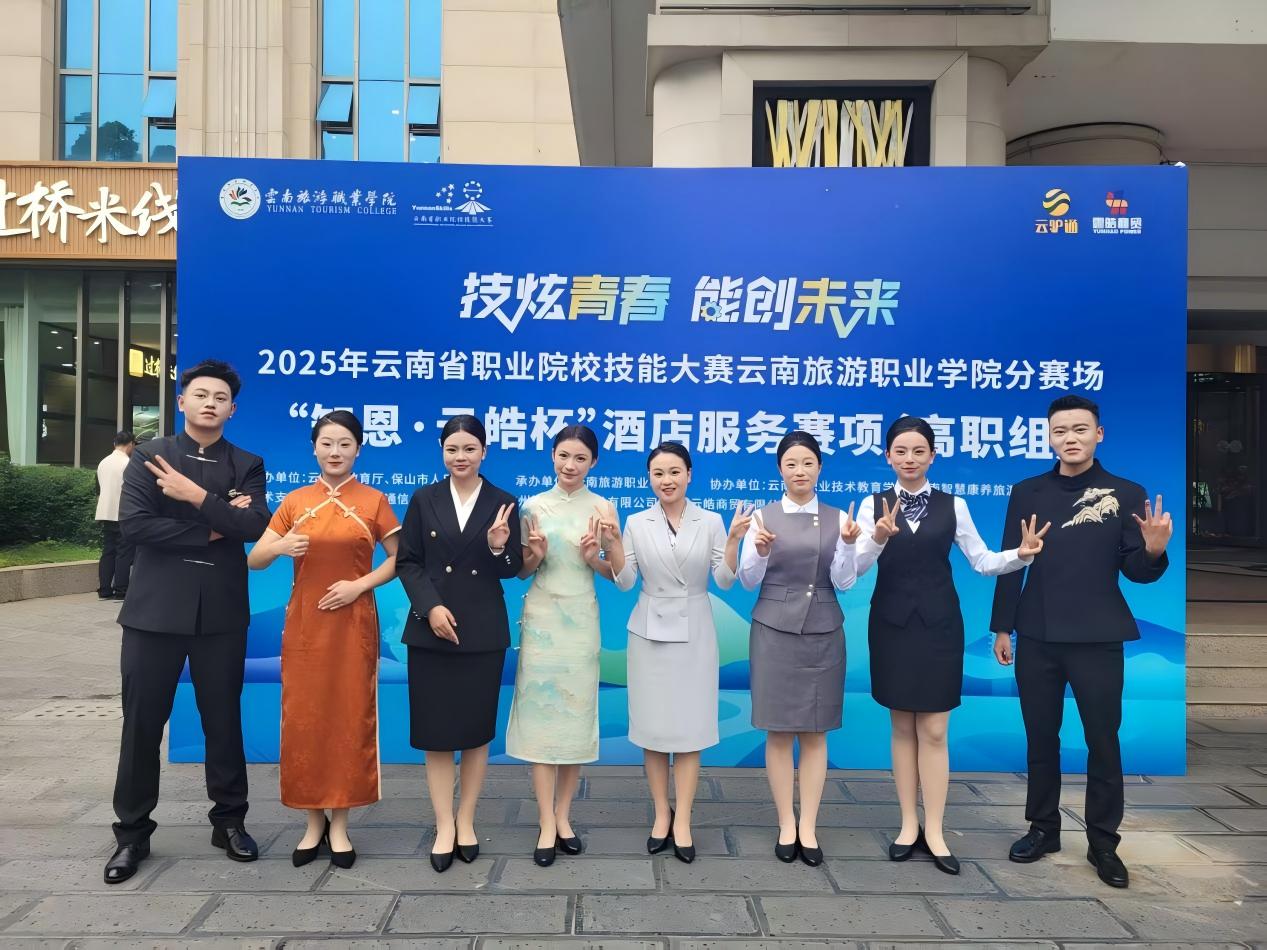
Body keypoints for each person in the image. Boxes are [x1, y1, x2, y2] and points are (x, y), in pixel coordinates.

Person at [991, 395, 1172, 890]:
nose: (1069, 438)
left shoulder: (1126, 493)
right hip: (1038, 633)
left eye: (1080, 429)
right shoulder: (1027, 491)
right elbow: (1012, 561)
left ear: (1099, 434)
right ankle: (1043, 829)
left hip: (1098, 636)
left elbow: (1137, 572)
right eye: (1060, 430)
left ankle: (1103, 843)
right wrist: (1003, 627)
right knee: (1040, 737)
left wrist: (1153, 550)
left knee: (1103, 740)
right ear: (1049, 437)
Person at [854, 416, 1048, 875]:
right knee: (902, 728)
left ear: (933, 456)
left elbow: (981, 560)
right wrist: (877, 537)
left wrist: (1020, 556)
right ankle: (908, 824)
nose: (909, 459)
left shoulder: (953, 504)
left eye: (918, 451)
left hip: (940, 627)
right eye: (901, 451)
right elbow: (855, 567)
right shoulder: (872, 504)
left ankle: (936, 830)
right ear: (887, 456)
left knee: (935, 730)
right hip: (891, 626)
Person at [105, 359, 270, 884]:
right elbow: (135, 526)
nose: (209, 403)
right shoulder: (150, 456)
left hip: (220, 612)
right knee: (141, 724)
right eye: (201, 395)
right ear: (182, 402)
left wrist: (196, 498)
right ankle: (132, 834)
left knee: (223, 720)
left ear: (232, 409)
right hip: (154, 612)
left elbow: (255, 524)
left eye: (220, 397)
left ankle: (230, 822)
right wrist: (214, 525)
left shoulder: (247, 463)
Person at [247, 410, 400, 870]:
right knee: (305, 719)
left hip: (354, 624)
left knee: (349, 717)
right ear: (314, 448)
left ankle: (340, 825)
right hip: (305, 628)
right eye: (327, 443)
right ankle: (313, 822)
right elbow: (255, 558)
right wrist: (280, 547)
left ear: (358, 449)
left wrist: (360, 585)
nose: (335, 452)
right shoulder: (295, 501)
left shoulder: (374, 500)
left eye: (345, 444)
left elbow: (400, 558)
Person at [396, 414, 522, 873]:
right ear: (442, 451)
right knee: (436, 734)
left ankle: (466, 819)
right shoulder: (423, 498)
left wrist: (497, 546)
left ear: (484, 452)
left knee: (474, 732)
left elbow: (511, 569)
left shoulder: (503, 502)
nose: (460, 457)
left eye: (469, 449)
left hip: (481, 631)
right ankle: (443, 823)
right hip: (430, 629)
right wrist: (430, 607)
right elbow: (408, 562)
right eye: (452, 449)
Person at [613, 442, 747, 863]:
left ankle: (684, 818)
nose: (666, 480)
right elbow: (624, 581)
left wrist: (734, 542)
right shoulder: (636, 522)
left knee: (690, 731)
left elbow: (725, 580)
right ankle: (660, 814)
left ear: (689, 474)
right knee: (653, 730)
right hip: (649, 632)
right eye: (658, 473)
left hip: (694, 632)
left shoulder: (711, 520)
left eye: (674, 472)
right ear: (649, 478)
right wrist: (611, 543)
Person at [737, 430, 860, 867]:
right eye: (791, 463)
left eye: (808, 463)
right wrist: (760, 552)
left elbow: (845, 581)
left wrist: (849, 545)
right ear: (780, 469)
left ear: (820, 467)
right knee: (778, 731)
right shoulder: (762, 517)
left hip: (824, 631)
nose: (800, 471)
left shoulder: (839, 517)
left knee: (814, 731)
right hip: (773, 631)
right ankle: (785, 823)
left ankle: (808, 825)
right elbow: (747, 580)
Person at [505, 424, 620, 867]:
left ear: (593, 463)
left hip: (581, 622)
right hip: (543, 622)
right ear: (552, 456)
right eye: (564, 456)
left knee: (575, 718)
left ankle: (564, 816)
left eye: (580, 458)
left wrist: (596, 557)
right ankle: (544, 822)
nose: (570, 465)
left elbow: (618, 575)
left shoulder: (604, 508)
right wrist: (534, 554)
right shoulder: (532, 506)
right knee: (541, 720)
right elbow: (521, 570)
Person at [96, 431, 137, 600]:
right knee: (124, 552)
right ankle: (121, 590)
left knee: (108, 551)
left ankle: (104, 590)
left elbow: (98, 489)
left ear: (115, 444)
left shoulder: (103, 462)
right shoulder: (128, 463)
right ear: (131, 444)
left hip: (105, 512)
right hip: (124, 513)